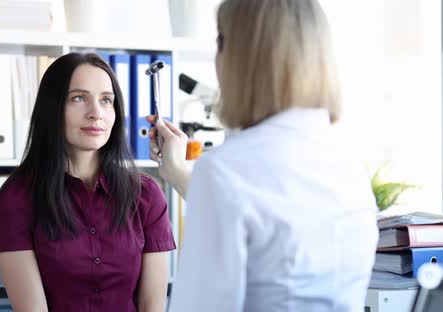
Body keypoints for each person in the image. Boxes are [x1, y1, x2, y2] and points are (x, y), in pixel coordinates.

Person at [148, 0, 379, 311]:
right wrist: (178, 173)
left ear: (244, 60)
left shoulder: (223, 171)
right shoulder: (350, 171)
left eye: (221, 41)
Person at [0, 53, 175, 312]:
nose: (96, 113)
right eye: (79, 98)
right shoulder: (17, 198)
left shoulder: (146, 196)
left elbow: (151, 307)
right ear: (52, 107)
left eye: (106, 100)